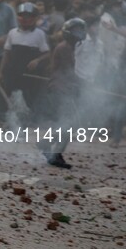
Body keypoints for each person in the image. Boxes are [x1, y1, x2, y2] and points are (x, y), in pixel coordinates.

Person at [36, 18, 87, 169]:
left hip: (64, 89)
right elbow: (68, 73)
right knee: (69, 124)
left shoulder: (68, 47)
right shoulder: (64, 48)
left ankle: (48, 146)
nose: (80, 33)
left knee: (66, 123)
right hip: (61, 89)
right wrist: (84, 84)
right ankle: (53, 152)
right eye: (76, 30)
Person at [0, 2, 50, 113]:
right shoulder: (12, 33)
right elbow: (7, 53)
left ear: (35, 18)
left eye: (29, 16)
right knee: (8, 100)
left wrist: (37, 60)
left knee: (30, 101)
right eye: (22, 15)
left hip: (30, 76)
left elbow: (47, 53)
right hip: (13, 73)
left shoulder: (39, 34)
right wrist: (1, 72)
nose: (25, 19)